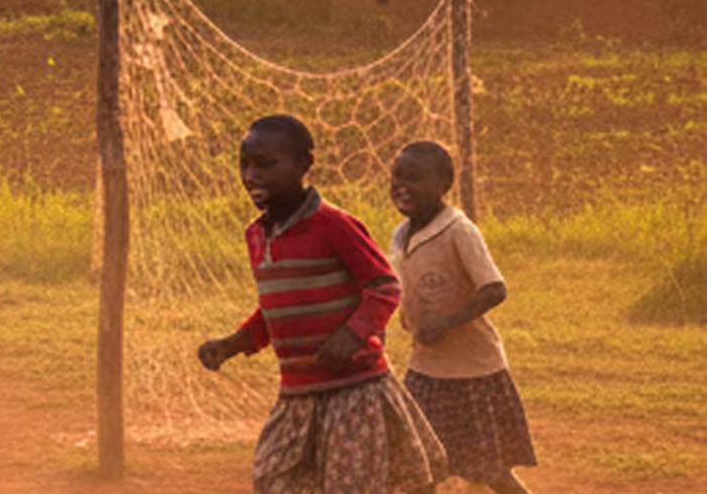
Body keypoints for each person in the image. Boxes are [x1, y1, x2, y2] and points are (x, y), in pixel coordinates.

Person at [196, 114, 445, 493]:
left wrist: (353, 334)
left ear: (303, 165)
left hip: (353, 392)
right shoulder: (256, 235)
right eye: (244, 164)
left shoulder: (334, 225)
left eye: (266, 164)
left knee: (352, 486)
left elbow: (383, 285)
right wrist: (234, 344)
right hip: (297, 394)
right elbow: (277, 309)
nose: (251, 175)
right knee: (273, 477)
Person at [387, 141, 534, 494]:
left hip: (471, 372)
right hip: (425, 369)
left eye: (415, 178)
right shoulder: (400, 234)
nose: (402, 186)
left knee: (489, 471)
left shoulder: (458, 230)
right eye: (397, 177)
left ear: (443, 185)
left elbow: (494, 288)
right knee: (417, 464)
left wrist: (448, 322)